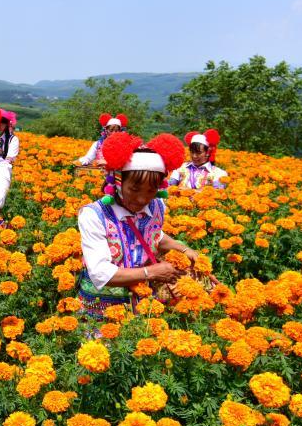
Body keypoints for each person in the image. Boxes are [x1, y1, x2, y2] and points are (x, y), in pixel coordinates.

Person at [77, 131, 206, 318]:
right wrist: (151, 272)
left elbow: (155, 235)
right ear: (118, 181)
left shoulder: (156, 206)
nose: (142, 198)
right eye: (134, 189)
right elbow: (100, 273)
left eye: (151, 190)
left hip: (142, 308)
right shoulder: (94, 215)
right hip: (101, 310)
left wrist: (184, 249)